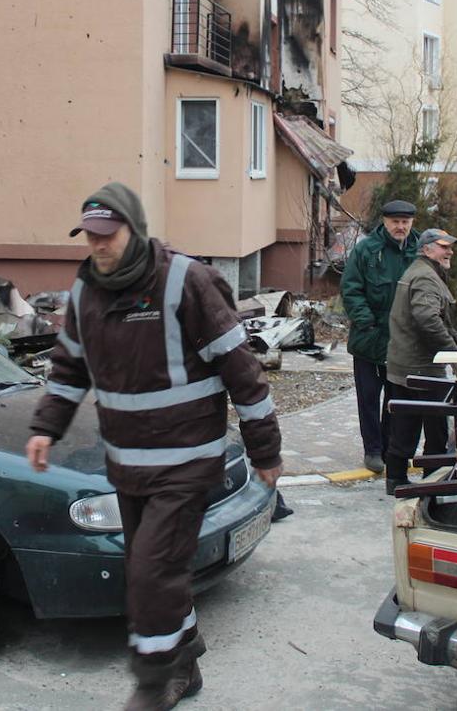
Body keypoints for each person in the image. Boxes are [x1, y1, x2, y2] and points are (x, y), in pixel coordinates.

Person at [27, 183, 282, 711]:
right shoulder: (85, 293)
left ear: (134, 229)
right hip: (128, 465)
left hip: (187, 462)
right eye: (88, 236)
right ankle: (185, 661)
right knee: (153, 573)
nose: (97, 245)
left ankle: (152, 683)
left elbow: (242, 372)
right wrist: (45, 428)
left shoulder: (184, 282)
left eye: (107, 234)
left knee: (150, 573)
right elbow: (69, 370)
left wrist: (265, 452)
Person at [340, 199, 419, 473]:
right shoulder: (366, 250)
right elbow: (351, 289)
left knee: (395, 400)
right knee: (369, 400)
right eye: (395, 222)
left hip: (403, 343)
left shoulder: (420, 250)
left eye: (405, 222)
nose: (400, 227)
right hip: (369, 340)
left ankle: (389, 448)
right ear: (385, 222)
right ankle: (372, 450)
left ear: (412, 223)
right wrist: (366, 323)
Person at [384, 227, 457, 495]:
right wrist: (452, 351)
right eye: (444, 246)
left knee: (406, 424)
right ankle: (433, 478)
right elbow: (428, 319)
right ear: (427, 249)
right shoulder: (427, 278)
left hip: (406, 365)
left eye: (451, 246)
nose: (450, 251)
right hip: (421, 368)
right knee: (434, 427)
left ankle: (396, 479)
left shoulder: (421, 272)